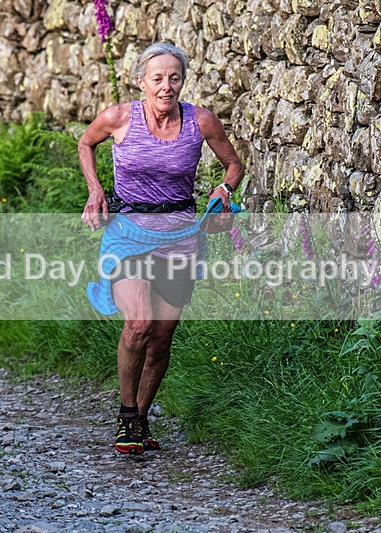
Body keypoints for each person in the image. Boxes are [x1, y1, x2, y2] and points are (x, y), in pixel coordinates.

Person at [78, 42, 244, 455]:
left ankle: (141, 419)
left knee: (163, 338)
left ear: (182, 82)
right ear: (141, 82)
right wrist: (95, 191)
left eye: (174, 78)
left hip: (180, 236)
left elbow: (234, 164)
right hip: (129, 233)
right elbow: (85, 144)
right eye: (157, 79)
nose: (166, 87)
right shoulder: (118, 118)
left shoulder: (200, 121)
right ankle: (126, 414)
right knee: (139, 324)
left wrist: (223, 191)